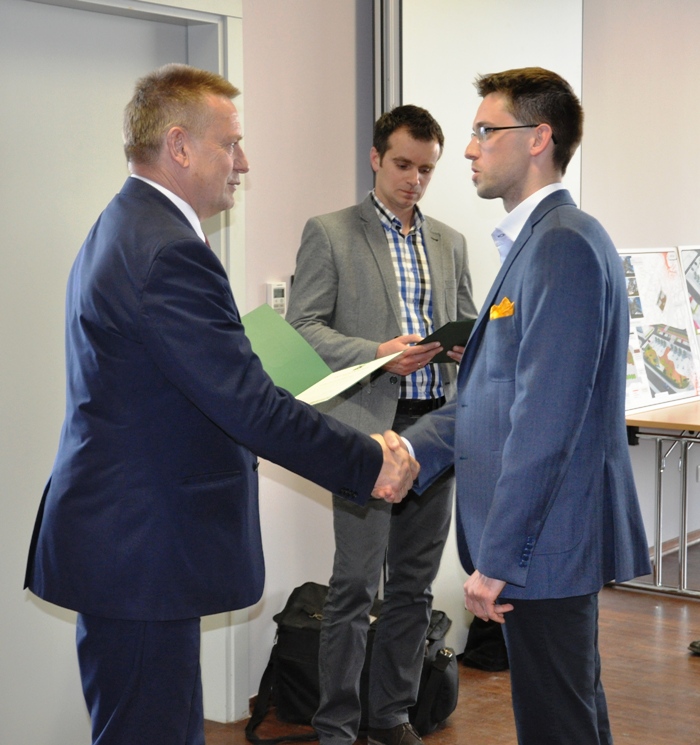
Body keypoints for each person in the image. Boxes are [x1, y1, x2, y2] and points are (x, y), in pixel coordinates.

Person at [23, 64, 418, 745]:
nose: (244, 162)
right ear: (179, 146)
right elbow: (249, 408)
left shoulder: (129, 223)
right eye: (230, 143)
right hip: (141, 551)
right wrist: (368, 460)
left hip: (132, 546)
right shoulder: (166, 250)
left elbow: (198, 382)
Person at [398, 68, 651, 744]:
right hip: (548, 539)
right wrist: (409, 446)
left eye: (485, 131)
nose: (470, 148)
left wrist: (500, 558)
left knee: (556, 722)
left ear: (539, 138)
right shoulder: (545, 239)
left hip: (544, 543)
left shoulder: (561, 243)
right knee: (569, 713)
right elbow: (499, 395)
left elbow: (546, 421)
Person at [286, 104, 476, 745]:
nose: (414, 180)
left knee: (413, 589)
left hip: (436, 432)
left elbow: (469, 321)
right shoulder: (331, 232)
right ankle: (337, 727)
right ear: (375, 159)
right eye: (402, 165)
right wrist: (377, 352)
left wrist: (462, 345)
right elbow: (302, 329)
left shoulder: (450, 241)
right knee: (354, 587)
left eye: (426, 169)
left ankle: (391, 716)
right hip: (368, 433)